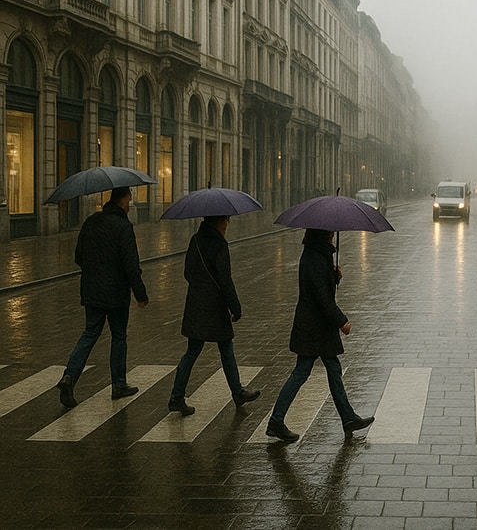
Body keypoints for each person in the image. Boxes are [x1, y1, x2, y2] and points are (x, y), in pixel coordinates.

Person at [266, 229, 375, 442]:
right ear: (323, 233)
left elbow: (321, 288)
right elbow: (322, 297)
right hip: (313, 326)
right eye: (330, 231)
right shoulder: (314, 257)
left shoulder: (319, 254)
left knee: (333, 369)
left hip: (319, 326)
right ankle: (276, 421)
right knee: (301, 372)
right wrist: (341, 321)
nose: (333, 233)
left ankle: (348, 418)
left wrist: (333, 277)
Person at [57, 186, 149, 407]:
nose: (130, 204)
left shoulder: (91, 221)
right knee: (118, 336)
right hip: (116, 293)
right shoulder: (123, 226)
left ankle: (69, 376)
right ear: (124, 199)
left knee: (90, 333)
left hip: (92, 290)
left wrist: (94, 272)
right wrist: (140, 294)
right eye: (129, 199)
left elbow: (78, 256)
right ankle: (119, 384)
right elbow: (131, 264)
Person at [167, 215, 259, 414]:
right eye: (227, 220)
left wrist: (200, 286)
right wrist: (235, 307)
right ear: (219, 222)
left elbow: (187, 273)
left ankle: (176, 396)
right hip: (215, 305)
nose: (228, 224)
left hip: (196, 303)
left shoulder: (195, 240)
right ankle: (238, 393)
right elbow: (225, 280)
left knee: (192, 351)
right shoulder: (219, 245)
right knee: (226, 349)